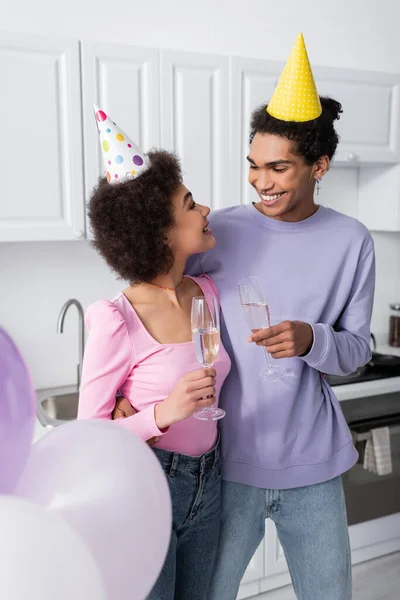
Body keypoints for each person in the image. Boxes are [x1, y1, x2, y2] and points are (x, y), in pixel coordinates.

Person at [114, 33, 375, 600]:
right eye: (254, 166)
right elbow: (152, 296)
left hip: (313, 465)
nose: (260, 181)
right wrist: (124, 386)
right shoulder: (217, 231)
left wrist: (312, 339)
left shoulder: (352, 242)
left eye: (278, 168)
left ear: (319, 165)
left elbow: (357, 351)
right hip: (225, 465)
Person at [77, 107, 231, 600]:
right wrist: (161, 414)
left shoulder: (209, 292)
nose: (204, 208)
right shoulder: (116, 319)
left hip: (211, 479)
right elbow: (90, 441)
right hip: (150, 484)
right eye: (190, 204)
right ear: (161, 231)